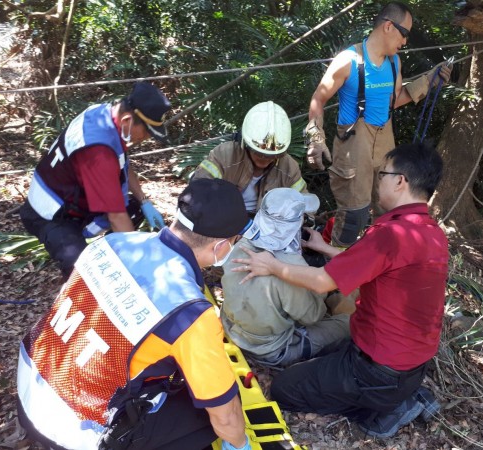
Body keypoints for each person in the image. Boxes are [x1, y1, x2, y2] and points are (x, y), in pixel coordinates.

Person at [16, 178, 253, 450]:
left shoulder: (112, 243)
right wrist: (239, 443)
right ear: (221, 247)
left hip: (30, 388)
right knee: (207, 413)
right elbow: (225, 417)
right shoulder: (189, 313)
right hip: (75, 431)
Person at [233, 141, 448, 439]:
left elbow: (321, 283)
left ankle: (385, 411)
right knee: (336, 337)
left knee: (285, 389)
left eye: (382, 174)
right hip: (410, 364)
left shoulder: (391, 234)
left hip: (377, 371)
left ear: (400, 181)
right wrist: (325, 248)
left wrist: (272, 266)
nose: (377, 182)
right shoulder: (430, 232)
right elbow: (378, 265)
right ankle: (394, 395)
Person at [304, 2, 451, 247]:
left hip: (385, 141)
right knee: (353, 216)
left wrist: (429, 81)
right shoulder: (348, 61)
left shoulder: (394, 63)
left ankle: (377, 266)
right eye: (404, 34)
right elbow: (318, 99)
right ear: (387, 26)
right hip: (354, 144)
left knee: (389, 209)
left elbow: (392, 102)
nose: (405, 42)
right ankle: (335, 278)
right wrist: (315, 139)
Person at [19, 82, 170, 278]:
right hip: (51, 213)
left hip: (73, 197)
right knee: (81, 268)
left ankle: (109, 256)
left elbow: (123, 162)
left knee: (134, 209)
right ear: (127, 120)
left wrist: (144, 201)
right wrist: (137, 265)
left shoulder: (104, 115)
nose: (147, 137)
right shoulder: (98, 152)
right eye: (148, 131)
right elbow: (116, 216)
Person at [221, 188, 350, 367]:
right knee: (348, 322)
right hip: (269, 350)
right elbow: (313, 316)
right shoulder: (290, 266)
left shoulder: (238, 243)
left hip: (232, 330)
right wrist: (316, 289)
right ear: (296, 224)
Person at [191, 101, 307, 216]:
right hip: (222, 216)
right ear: (244, 143)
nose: (266, 159)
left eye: (273, 155)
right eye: (259, 153)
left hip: (266, 224)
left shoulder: (289, 167)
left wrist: (306, 222)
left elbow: (304, 202)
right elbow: (199, 189)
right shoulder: (224, 155)